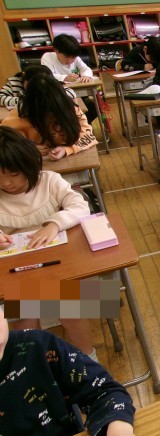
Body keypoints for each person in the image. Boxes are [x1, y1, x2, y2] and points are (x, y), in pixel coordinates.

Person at [0, 309, 145, 436]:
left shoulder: (38, 346)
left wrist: (118, 427)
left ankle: (89, 357)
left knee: (68, 305)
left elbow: (105, 391)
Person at [0, 126, 96, 358]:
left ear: (28, 165)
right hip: (16, 274)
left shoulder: (49, 181)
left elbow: (80, 206)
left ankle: (89, 359)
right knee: (25, 322)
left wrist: (54, 224)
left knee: (70, 309)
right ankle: (34, 367)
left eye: (13, 174)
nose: (7, 183)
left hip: (57, 266)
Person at [2, 74, 97, 161]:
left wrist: (67, 149)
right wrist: (28, 150)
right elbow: (5, 149)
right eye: (48, 114)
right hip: (33, 167)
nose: (53, 119)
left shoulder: (69, 110)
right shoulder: (14, 122)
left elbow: (88, 135)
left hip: (69, 161)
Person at [41, 34, 98, 123]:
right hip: (59, 96)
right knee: (69, 111)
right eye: (67, 57)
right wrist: (65, 78)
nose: (70, 61)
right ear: (56, 51)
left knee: (94, 108)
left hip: (77, 93)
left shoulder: (75, 57)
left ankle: (82, 125)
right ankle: (74, 125)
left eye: (73, 58)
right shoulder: (47, 57)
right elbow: (48, 75)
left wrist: (86, 75)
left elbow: (85, 69)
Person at [0, 65, 77, 109]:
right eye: (31, 84)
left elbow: (70, 93)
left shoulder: (47, 83)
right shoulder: (14, 83)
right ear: (24, 77)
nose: (35, 88)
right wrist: (28, 102)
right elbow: (1, 97)